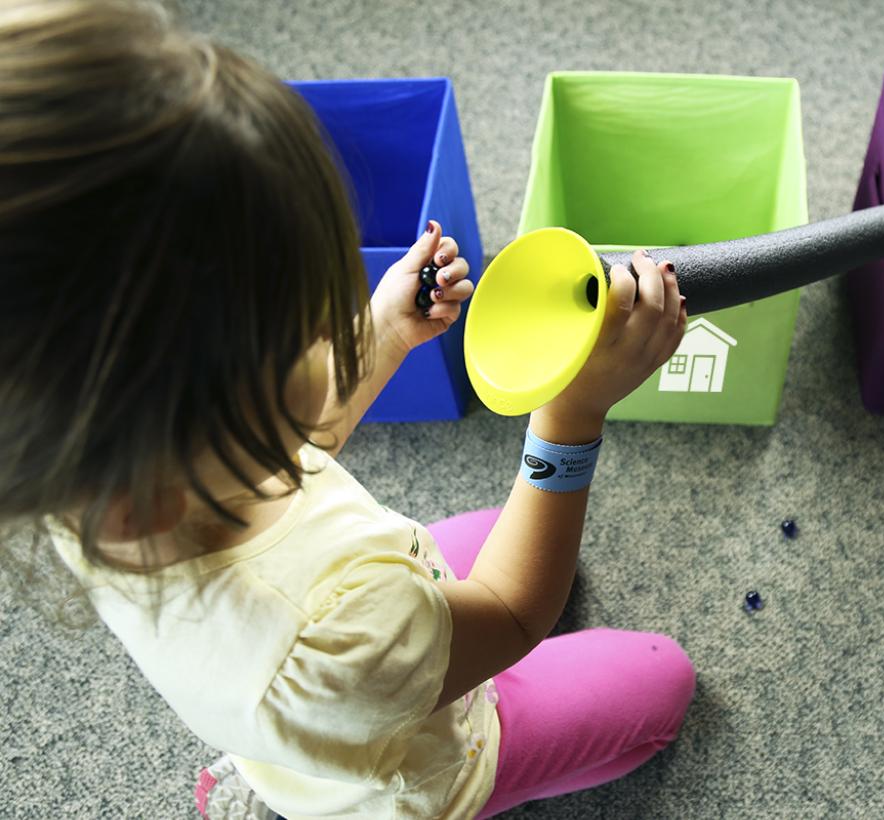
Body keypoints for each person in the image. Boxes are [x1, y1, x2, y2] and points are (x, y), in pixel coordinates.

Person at [0, 1, 696, 817]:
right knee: (663, 679)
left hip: (345, 668)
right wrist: (569, 418)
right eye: (304, 332)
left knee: (487, 561)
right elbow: (512, 612)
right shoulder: (338, 629)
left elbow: (285, 448)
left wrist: (387, 332)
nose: (329, 328)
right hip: (430, 754)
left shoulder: (87, 477)